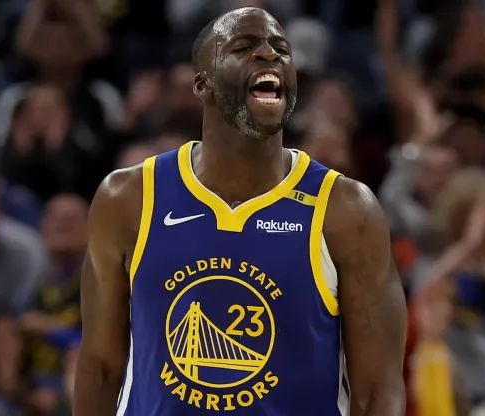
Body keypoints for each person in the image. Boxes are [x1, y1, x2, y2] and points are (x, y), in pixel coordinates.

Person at [74, 7, 407, 416]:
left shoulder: (346, 210)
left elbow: (379, 392)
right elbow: (101, 368)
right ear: (203, 83)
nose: (270, 55)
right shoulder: (127, 198)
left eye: (281, 50)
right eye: (245, 47)